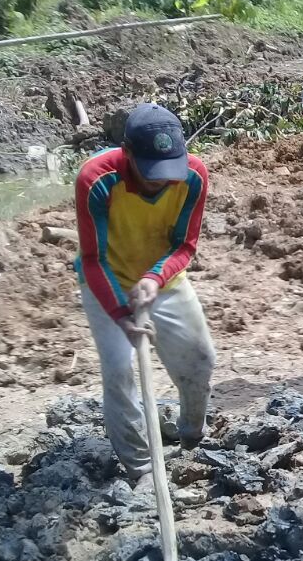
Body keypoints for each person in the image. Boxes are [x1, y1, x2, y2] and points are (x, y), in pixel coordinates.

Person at [75, 103, 214, 482]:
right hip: (109, 281)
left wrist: (154, 278)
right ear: (128, 153)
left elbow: (185, 245)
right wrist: (121, 316)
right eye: (152, 172)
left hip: (162, 280)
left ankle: (191, 438)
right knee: (120, 371)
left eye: (169, 170)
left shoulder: (193, 176)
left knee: (200, 358)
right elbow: (92, 258)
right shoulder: (96, 179)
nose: (161, 181)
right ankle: (141, 469)